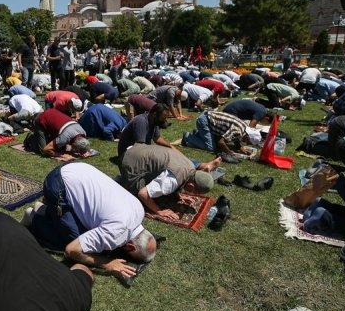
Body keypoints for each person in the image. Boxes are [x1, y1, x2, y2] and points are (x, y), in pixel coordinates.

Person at [25, 162, 156, 279]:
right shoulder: (116, 233)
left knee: (86, 235)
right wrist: (106, 263)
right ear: (130, 246)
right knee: (73, 241)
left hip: (76, 167)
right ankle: (34, 218)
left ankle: (47, 209)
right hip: (57, 183)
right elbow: (71, 250)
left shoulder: (139, 210)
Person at [120, 144, 215, 220]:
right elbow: (143, 194)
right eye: (195, 192)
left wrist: (177, 194)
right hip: (130, 159)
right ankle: (119, 181)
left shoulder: (191, 167)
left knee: (164, 192)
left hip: (139, 149)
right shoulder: (172, 181)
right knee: (136, 195)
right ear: (191, 185)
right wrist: (159, 211)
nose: (194, 194)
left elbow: (177, 177)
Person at [26, 108, 91, 157]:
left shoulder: (83, 133)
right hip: (41, 119)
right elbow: (46, 149)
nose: (77, 152)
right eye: (77, 150)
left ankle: (45, 137)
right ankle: (31, 138)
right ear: (73, 144)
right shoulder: (65, 138)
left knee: (60, 147)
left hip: (52, 113)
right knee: (42, 151)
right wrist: (60, 155)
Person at [182, 110, 249, 153]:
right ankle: (188, 136)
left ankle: (197, 133)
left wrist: (240, 147)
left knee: (214, 143)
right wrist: (229, 152)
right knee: (211, 148)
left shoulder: (244, 127)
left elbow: (234, 137)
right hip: (205, 121)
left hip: (209, 120)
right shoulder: (238, 131)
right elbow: (221, 142)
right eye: (247, 141)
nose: (246, 142)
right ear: (247, 136)